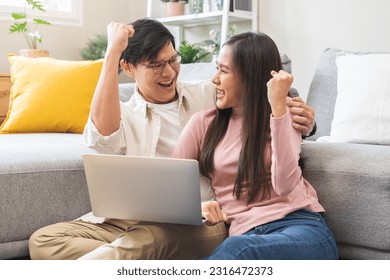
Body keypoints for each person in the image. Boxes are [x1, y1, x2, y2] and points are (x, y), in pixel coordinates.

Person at [29, 19, 317, 260]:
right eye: (155, 65)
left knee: (150, 239)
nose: (168, 72)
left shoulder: (207, 96)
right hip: (132, 221)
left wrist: (301, 118)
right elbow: (102, 141)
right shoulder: (122, 114)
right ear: (127, 68)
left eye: (173, 60)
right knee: (42, 241)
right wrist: (112, 53)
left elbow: (259, 87)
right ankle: (143, 262)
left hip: (198, 218)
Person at [171, 31, 338, 259]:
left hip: (301, 229)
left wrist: (278, 108)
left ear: (249, 76)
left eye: (224, 71)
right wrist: (198, 206)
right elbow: (170, 186)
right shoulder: (204, 123)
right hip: (245, 236)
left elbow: (285, 185)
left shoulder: (286, 115)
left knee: (238, 249)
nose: (215, 79)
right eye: (216, 69)